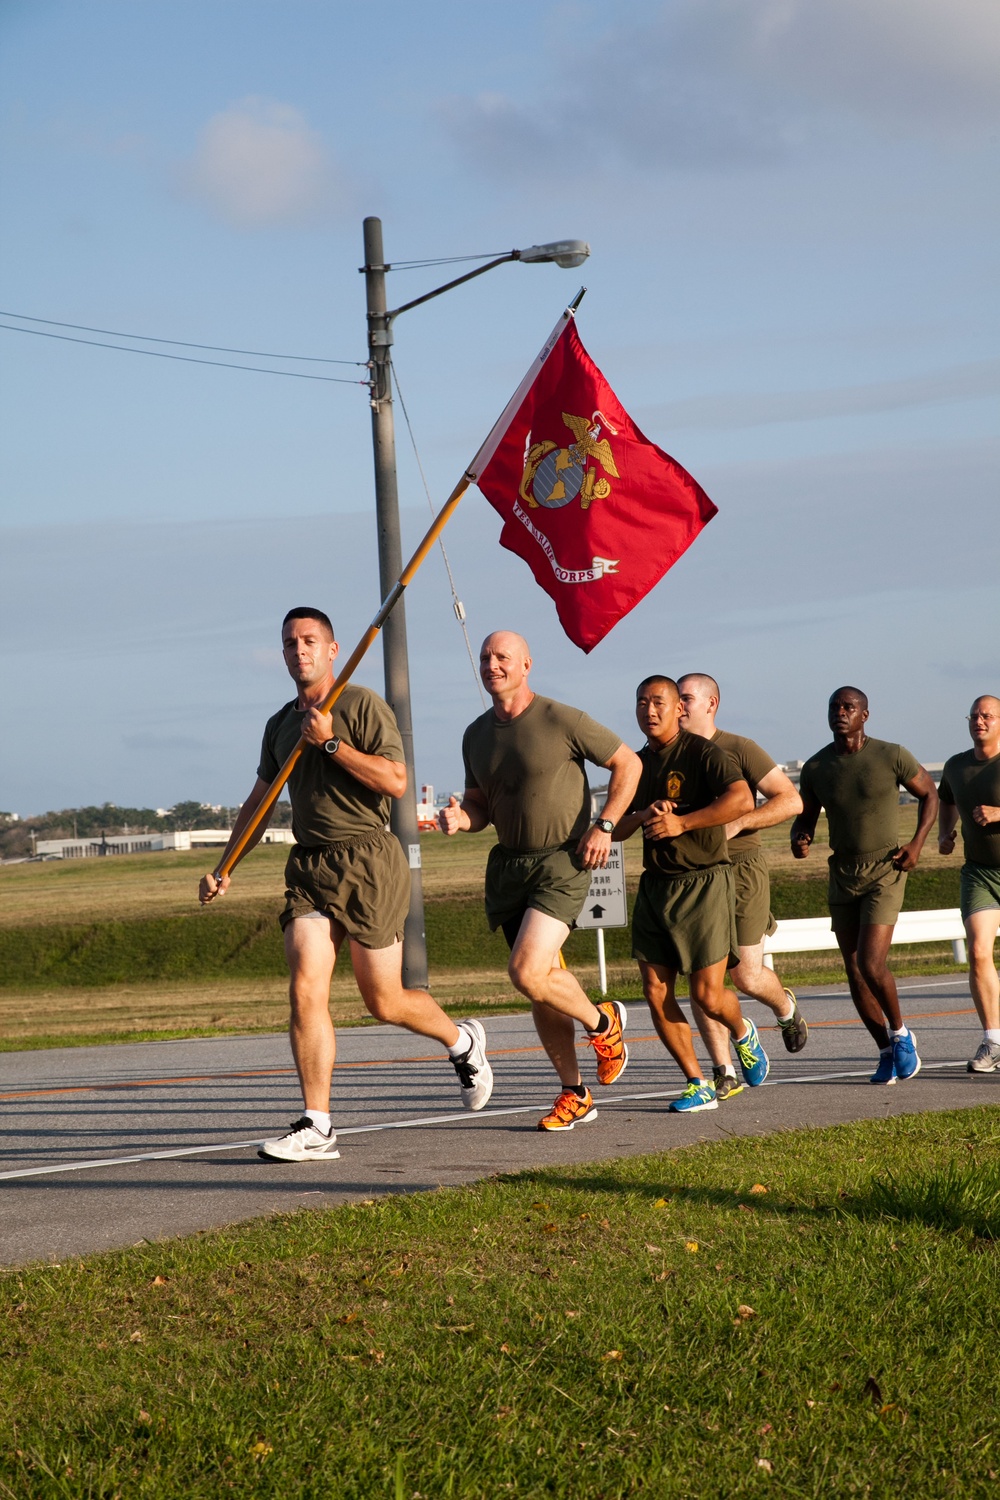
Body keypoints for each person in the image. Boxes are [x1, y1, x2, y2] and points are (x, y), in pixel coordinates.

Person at [199, 607, 493, 1162]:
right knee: (306, 985)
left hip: (368, 860)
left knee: (383, 1000)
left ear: (333, 650)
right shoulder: (279, 724)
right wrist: (225, 866)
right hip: (308, 867)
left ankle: (462, 1041)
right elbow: (260, 800)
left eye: (310, 640)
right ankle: (318, 1123)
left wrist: (332, 743)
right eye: (289, 642)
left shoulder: (361, 706)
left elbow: (397, 781)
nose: (299, 650)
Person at [440, 630, 641, 1131]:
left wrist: (606, 825)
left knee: (527, 971)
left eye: (503, 657)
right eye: (486, 657)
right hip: (510, 866)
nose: (492, 664)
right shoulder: (475, 734)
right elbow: (481, 807)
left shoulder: (560, 718)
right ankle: (575, 1093)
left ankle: (603, 1024)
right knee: (541, 985)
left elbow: (627, 763)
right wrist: (461, 819)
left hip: (563, 861)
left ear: (527, 664)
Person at [613, 675, 770, 1113]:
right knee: (653, 990)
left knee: (706, 995)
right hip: (655, 885)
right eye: (642, 702)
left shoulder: (702, 753)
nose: (650, 710)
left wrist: (683, 822)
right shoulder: (635, 764)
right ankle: (697, 1082)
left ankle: (742, 1032)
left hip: (703, 882)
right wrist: (644, 812)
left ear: (679, 709)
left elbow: (741, 799)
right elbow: (617, 825)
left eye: (659, 702)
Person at [790, 686, 938, 1084]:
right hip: (843, 872)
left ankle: (902, 1034)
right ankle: (886, 1051)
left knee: (871, 963)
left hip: (886, 867)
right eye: (834, 707)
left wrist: (917, 843)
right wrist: (799, 837)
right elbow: (805, 817)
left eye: (849, 707)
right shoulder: (817, 767)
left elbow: (930, 794)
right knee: (854, 972)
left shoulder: (891, 755)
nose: (840, 712)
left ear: (864, 715)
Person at [676, 673, 806, 1101]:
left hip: (741, 869)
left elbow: (790, 800)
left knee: (745, 975)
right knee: (702, 977)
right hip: (694, 875)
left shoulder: (739, 748)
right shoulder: (671, 754)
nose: (678, 706)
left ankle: (784, 1009)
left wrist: (739, 822)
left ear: (711, 703)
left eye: (687, 698)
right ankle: (723, 1069)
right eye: (675, 699)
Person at [938, 696, 1000, 1073]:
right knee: (978, 953)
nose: (979, 721)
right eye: (974, 716)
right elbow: (946, 799)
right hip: (979, 873)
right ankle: (993, 1041)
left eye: (987, 716)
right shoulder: (956, 766)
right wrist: (946, 833)